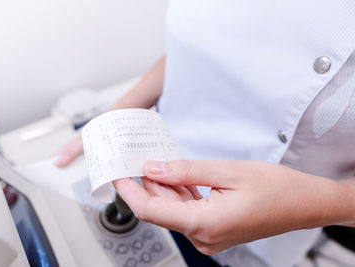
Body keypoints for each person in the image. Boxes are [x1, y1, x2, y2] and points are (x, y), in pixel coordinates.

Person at [55, 1, 355, 266]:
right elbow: (201, 42)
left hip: (262, 229)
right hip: (154, 157)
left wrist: (313, 205)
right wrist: (116, 117)